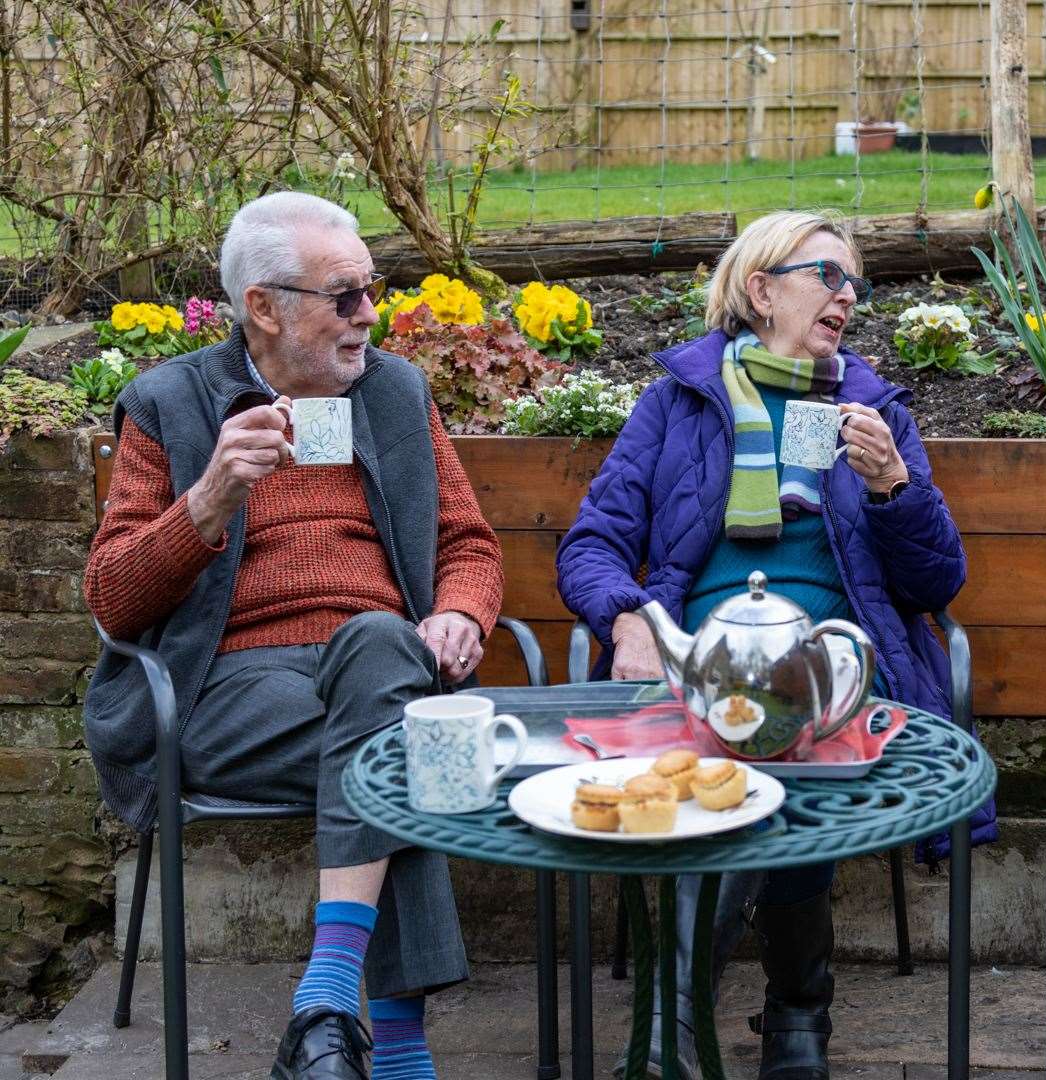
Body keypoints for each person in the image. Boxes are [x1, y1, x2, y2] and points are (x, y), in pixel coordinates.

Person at [557, 209, 995, 1079]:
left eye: (857, 284)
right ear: (760, 290)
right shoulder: (679, 401)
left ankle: (706, 1022)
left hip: (836, 665)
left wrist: (893, 488)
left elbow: (935, 585)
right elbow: (592, 542)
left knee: (781, 739)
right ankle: (784, 1017)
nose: (849, 297)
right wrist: (629, 615)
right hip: (700, 659)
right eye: (828, 275)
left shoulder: (872, 411)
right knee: (738, 737)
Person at [83, 192, 504, 1080]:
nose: (369, 315)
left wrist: (462, 611)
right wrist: (205, 503)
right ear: (263, 308)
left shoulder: (396, 393)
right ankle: (395, 1053)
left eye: (371, 290)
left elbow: (467, 544)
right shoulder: (171, 404)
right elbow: (114, 601)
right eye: (343, 295)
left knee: (384, 655)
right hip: (226, 689)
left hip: (377, 662)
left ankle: (325, 1005)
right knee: (406, 755)